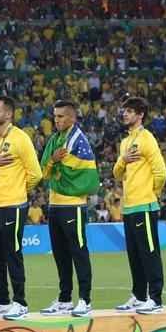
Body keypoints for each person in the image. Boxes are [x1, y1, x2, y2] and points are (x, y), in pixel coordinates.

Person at [0, 96, 41, 320]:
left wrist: (19, 191)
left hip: (13, 205)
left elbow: (35, 174)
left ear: (9, 114)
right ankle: (2, 302)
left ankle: (20, 302)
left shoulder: (21, 138)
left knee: (12, 254)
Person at [39, 100, 100, 318]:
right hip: (54, 204)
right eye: (55, 116)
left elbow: (87, 174)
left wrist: (56, 163)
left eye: (61, 116)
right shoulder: (55, 140)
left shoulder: (79, 141)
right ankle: (64, 299)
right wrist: (53, 160)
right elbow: (43, 171)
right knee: (60, 255)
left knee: (78, 252)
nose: (56, 120)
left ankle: (85, 299)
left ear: (72, 118)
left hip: (73, 205)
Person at [111, 96, 166, 314]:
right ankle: (139, 295)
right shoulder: (125, 142)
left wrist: (152, 194)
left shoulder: (147, 139)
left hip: (145, 205)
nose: (125, 114)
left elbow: (161, 172)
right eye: (124, 111)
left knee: (149, 253)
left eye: (129, 111)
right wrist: (123, 159)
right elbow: (117, 174)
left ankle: (155, 298)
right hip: (129, 207)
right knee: (134, 255)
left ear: (140, 115)